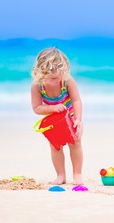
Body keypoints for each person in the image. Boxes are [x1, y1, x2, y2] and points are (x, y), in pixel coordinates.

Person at [31, 47, 84, 185]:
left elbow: (76, 100)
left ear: (64, 68)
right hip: (54, 121)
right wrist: (52, 108)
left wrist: (78, 119)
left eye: (58, 71)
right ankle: (60, 175)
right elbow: (36, 108)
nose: (55, 75)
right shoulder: (38, 85)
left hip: (71, 117)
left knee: (75, 142)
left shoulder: (67, 80)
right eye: (50, 72)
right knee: (55, 146)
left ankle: (77, 174)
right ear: (40, 71)